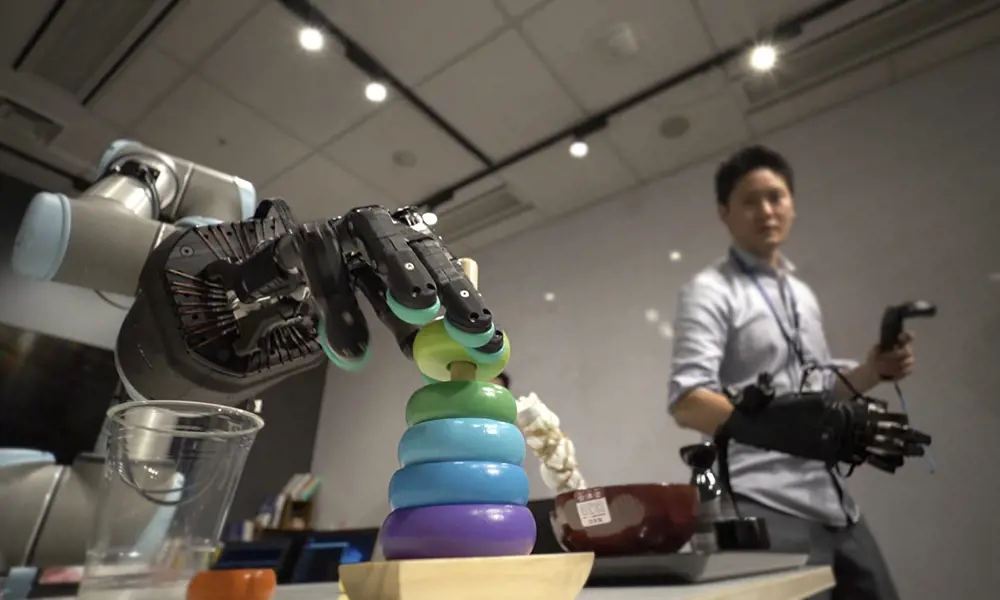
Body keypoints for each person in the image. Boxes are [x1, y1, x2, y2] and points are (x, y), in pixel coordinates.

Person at [667, 145, 914, 600]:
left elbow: (816, 392)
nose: (766, 210)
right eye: (749, 200)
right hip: (757, 497)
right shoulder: (709, 290)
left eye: (776, 197)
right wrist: (781, 431)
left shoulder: (802, 294)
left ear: (793, 205)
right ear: (725, 212)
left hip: (831, 497)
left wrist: (873, 369)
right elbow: (688, 402)